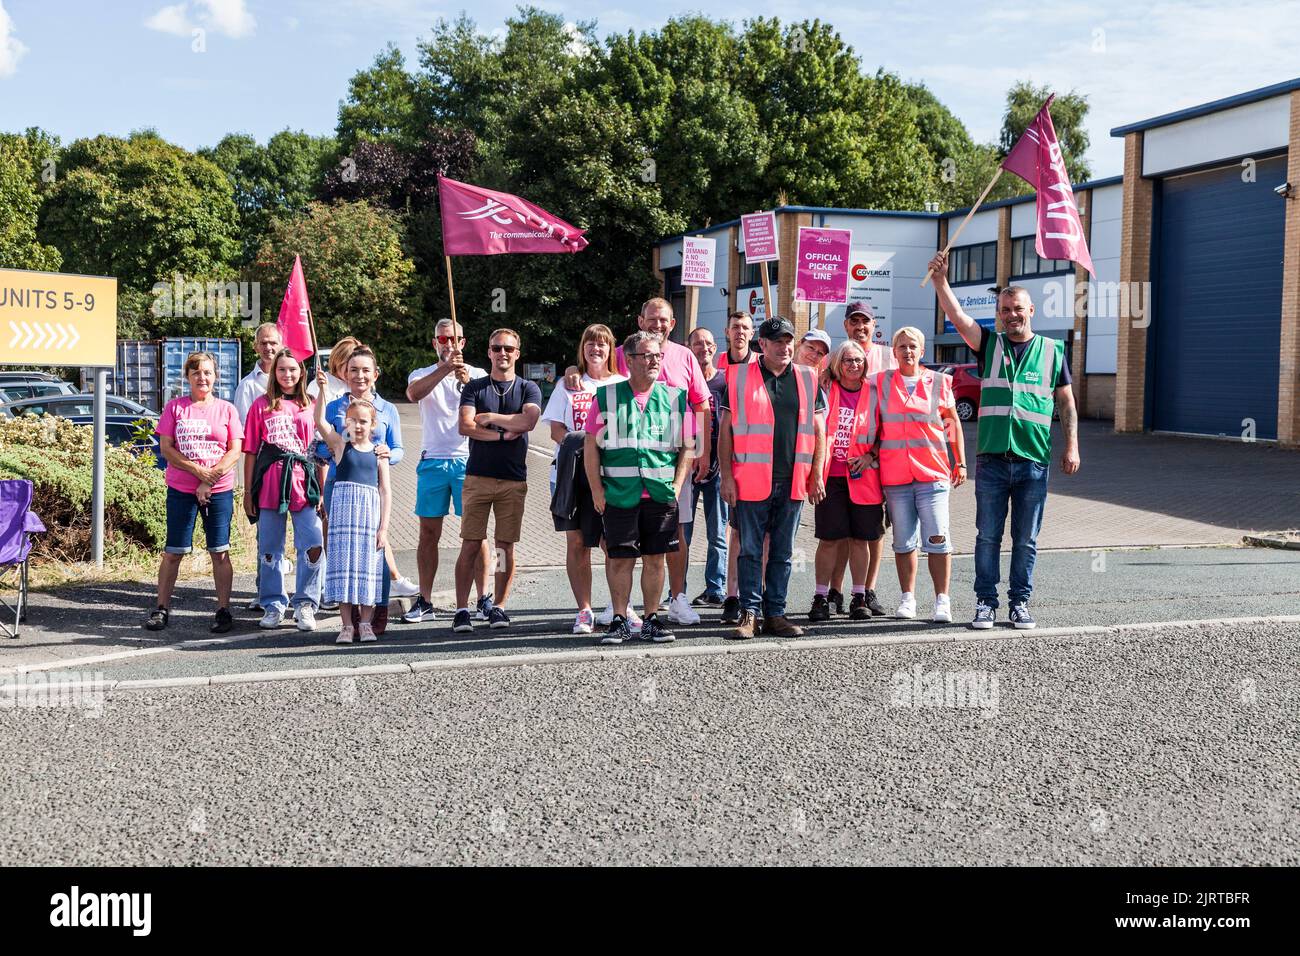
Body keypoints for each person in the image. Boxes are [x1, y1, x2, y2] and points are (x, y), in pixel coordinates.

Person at [928, 251, 1081, 629]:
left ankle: (1020, 603)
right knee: (988, 536)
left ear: (1031, 310)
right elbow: (958, 318)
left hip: (1033, 460)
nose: (1011, 315)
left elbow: (1066, 402)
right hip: (993, 461)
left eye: (1017, 308)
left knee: (1026, 539)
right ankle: (985, 602)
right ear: (998, 314)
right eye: (1004, 310)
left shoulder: (1052, 351)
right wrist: (939, 281)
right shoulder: (989, 345)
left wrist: (1072, 445)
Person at [720, 316, 827, 640]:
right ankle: (749, 613)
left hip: (793, 480)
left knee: (782, 552)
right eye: (777, 341)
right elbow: (725, 432)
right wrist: (726, 476)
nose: (784, 346)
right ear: (761, 345)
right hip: (751, 480)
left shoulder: (809, 378)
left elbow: (819, 431)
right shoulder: (738, 378)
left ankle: (775, 614)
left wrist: (816, 474)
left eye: (788, 341)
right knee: (750, 550)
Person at [584, 331, 692, 645]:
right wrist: (596, 490)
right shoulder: (607, 396)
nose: (654, 360)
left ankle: (651, 619)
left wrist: (677, 483)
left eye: (658, 355)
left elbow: (688, 445)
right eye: (647, 355)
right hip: (619, 493)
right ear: (629, 360)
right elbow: (591, 446)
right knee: (620, 558)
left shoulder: (675, 397)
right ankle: (619, 619)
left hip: (660, 493)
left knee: (656, 558)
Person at [611, 298, 711, 628]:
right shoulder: (624, 352)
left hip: (672, 463)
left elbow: (701, 405)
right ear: (640, 320)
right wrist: (572, 372)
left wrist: (703, 452)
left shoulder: (684, 356)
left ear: (672, 323)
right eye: (652, 318)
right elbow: (598, 380)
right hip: (626, 464)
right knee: (624, 536)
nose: (658, 324)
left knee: (675, 530)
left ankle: (678, 597)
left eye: (664, 319)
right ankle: (624, 608)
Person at [874, 327, 966, 623]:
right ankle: (908, 598)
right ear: (894, 351)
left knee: (938, 539)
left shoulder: (939, 382)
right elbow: (846, 378)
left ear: (922, 351)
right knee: (903, 541)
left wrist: (960, 462)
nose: (907, 351)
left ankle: (942, 600)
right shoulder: (881, 383)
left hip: (932, 474)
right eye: (901, 346)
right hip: (896, 476)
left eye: (913, 346)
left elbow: (952, 424)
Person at [146, 352, 242, 633]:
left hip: (219, 490)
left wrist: (209, 480)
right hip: (181, 489)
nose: (203, 377)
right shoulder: (175, 408)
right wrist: (198, 473)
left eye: (208, 372)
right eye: (197, 372)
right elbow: (166, 448)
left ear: (216, 377)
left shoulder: (226, 410)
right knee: (173, 552)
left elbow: (234, 450)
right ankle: (161, 608)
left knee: (220, 551)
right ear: (187, 377)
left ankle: (223, 610)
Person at [454, 328, 542, 632]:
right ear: (489, 352)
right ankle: (462, 609)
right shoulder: (474, 388)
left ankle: (499, 608)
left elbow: (528, 421)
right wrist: (505, 433)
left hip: (513, 481)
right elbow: (465, 426)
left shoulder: (529, 388)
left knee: (504, 549)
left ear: (517, 353)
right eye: (496, 348)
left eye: (508, 348)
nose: (502, 353)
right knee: (470, 544)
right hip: (477, 477)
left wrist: (489, 417)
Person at [403, 320, 491, 624]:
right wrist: (445, 369)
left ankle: (483, 599)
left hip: (469, 460)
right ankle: (425, 600)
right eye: (443, 338)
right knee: (428, 533)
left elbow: (489, 409)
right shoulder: (423, 373)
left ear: (463, 342)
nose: (448, 343)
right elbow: (413, 394)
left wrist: (468, 383)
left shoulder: (478, 374)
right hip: (433, 461)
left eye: (454, 338)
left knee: (476, 534)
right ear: (434, 342)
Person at [323, 347, 419, 618]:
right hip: (338, 487)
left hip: (373, 489)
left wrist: (388, 454)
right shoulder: (334, 407)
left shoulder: (387, 409)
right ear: (345, 374)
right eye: (353, 370)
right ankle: (347, 617)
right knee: (344, 549)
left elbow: (398, 448)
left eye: (366, 370)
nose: (359, 376)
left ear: (375, 375)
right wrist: (329, 450)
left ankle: (374, 616)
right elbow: (320, 447)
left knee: (376, 546)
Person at [542, 323, 625, 634]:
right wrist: (583, 445)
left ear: (610, 349)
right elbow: (555, 430)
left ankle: (621, 605)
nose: (596, 349)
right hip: (572, 474)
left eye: (602, 344)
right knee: (577, 543)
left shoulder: (623, 383)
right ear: (583, 349)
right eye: (590, 343)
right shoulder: (569, 384)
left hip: (612, 475)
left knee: (613, 541)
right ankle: (584, 610)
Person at [243, 348, 323, 631]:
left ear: (302, 372)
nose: (287, 374)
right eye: (281, 369)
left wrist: (323, 489)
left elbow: (321, 448)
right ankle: (274, 604)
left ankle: (305, 604)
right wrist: (247, 491)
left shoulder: (312, 404)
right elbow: (251, 451)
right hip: (270, 482)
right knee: (269, 549)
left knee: (313, 544)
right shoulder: (261, 405)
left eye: (293, 369)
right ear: (273, 373)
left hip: (304, 481)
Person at [825, 301, 897, 617]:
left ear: (873, 324)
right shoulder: (835, 358)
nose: (860, 327)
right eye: (854, 322)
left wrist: (874, 454)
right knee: (841, 532)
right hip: (842, 467)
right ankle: (835, 590)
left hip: (879, 462)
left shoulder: (887, 356)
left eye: (865, 322)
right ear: (846, 326)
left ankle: (867, 591)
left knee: (873, 532)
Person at [809, 340, 886, 622]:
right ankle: (820, 597)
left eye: (858, 360)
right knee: (829, 539)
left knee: (860, 540)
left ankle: (859, 597)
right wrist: (815, 474)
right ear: (837, 364)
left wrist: (870, 456)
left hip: (865, 478)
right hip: (831, 477)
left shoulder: (875, 393)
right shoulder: (827, 389)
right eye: (847, 360)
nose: (854, 365)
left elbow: (886, 431)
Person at [315, 369, 390, 644]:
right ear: (345, 422)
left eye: (363, 421)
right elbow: (320, 421)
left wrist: (383, 527)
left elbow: (385, 491)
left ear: (373, 424)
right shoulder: (339, 447)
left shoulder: (379, 452)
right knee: (343, 568)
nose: (358, 426)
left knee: (368, 570)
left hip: (369, 516)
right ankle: (347, 625)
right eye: (352, 421)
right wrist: (322, 390)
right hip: (344, 516)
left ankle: (366, 623)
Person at [232, 322, 283, 614]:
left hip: (292, 471)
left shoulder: (292, 379)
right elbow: (242, 436)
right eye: (263, 343)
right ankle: (264, 589)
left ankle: (301, 592)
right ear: (255, 347)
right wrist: (247, 483)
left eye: (273, 342)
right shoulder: (248, 386)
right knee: (265, 534)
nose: (268, 348)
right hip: (263, 470)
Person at [682, 327, 728, 608]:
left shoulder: (724, 382)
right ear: (689, 348)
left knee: (718, 533)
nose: (704, 348)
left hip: (717, 469)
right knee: (681, 533)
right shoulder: (683, 381)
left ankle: (716, 588)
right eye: (698, 344)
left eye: (709, 343)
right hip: (685, 467)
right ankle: (679, 591)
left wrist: (719, 461)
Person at [717, 309, 756, 624]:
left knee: (758, 535)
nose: (740, 332)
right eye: (735, 327)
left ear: (752, 333)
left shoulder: (761, 364)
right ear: (727, 332)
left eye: (745, 327)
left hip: (753, 460)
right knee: (735, 533)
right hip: (718, 454)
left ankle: (753, 595)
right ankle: (730, 594)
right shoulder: (716, 364)